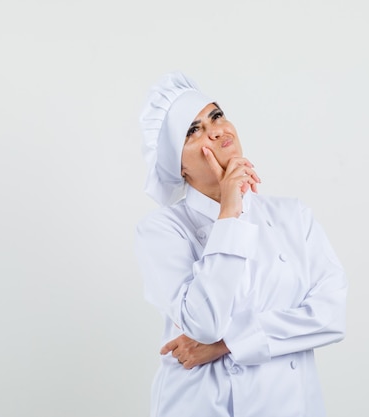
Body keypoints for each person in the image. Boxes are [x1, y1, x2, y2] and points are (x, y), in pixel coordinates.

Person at [135, 72, 347, 417]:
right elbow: (202, 322)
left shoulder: (292, 215)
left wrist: (226, 345)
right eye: (193, 130)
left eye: (216, 116)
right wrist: (229, 211)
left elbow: (330, 315)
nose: (215, 130)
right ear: (180, 168)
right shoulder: (162, 230)